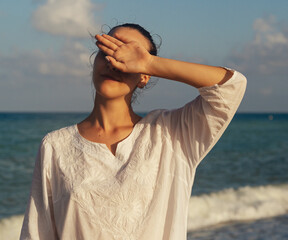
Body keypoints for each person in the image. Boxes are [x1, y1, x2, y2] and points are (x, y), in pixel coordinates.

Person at [20, 23, 247, 240]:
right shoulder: (56, 145)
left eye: (126, 54)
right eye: (107, 50)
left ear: (144, 76)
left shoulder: (171, 133)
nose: (114, 61)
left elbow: (230, 87)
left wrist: (147, 62)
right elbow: (38, 233)